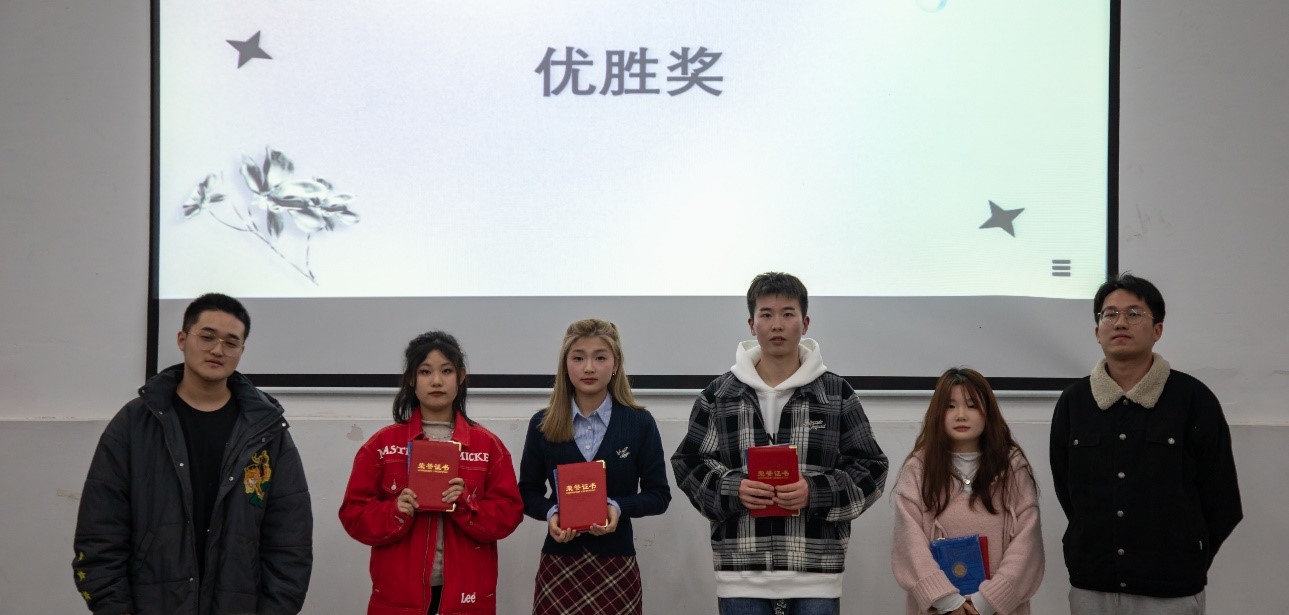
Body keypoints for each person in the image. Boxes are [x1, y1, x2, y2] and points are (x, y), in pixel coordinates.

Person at [72, 293, 313, 614]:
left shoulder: (266, 431)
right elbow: (99, 532)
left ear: (241, 351)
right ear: (182, 339)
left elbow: (291, 540)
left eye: (231, 342)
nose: (218, 350)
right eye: (207, 337)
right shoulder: (134, 424)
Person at [671, 272, 889, 615]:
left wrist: (815, 492)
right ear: (751, 324)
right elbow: (689, 463)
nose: (777, 325)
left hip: (816, 570)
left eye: (788, 314)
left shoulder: (835, 393)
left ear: (805, 323)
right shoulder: (719, 395)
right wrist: (733, 488)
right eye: (766, 314)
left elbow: (871, 468)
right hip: (741, 572)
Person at [1050, 274, 1243, 614]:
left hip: (1171, 591)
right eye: (1110, 314)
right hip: (1092, 586)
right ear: (1097, 331)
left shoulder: (1193, 399)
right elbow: (1067, 490)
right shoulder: (1074, 402)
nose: (1120, 322)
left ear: (1158, 330)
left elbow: (1222, 499)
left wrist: (1189, 557)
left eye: (1134, 313)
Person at [339, 331, 522, 615]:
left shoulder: (488, 447)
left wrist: (466, 504)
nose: (436, 381)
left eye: (446, 371)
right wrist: (394, 511)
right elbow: (353, 514)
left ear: (461, 377)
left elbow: (510, 513)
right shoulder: (382, 445)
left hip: (466, 596)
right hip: (399, 598)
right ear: (411, 379)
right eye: (425, 372)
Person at [518, 319, 672, 615]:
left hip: (617, 564)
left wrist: (617, 507)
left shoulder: (639, 423)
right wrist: (552, 513)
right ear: (565, 365)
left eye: (600, 358)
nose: (589, 368)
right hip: (559, 563)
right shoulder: (542, 424)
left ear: (616, 364)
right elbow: (527, 493)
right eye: (578, 358)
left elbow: (659, 495)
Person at [891, 368, 1043, 615]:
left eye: (972, 406)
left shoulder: (1012, 468)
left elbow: (1028, 545)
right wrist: (947, 601)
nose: (961, 415)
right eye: (950, 406)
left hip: (998, 609)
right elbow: (909, 545)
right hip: (940, 609)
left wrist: (988, 601)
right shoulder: (918, 469)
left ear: (988, 412)